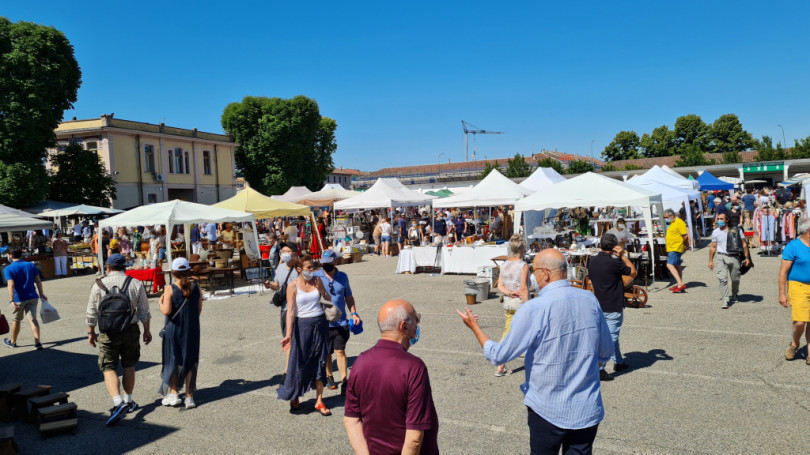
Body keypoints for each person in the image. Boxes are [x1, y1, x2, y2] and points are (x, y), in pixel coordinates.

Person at [457, 249, 612, 454]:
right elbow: (605, 351)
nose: (533, 277)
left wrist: (475, 328)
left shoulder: (534, 308)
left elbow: (498, 355)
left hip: (547, 409)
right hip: (586, 408)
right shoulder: (589, 299)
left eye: (535, 271)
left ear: (545, 274)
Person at [344, 299, 438, 455]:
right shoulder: (414, 367)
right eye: (416, 320)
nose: (417, 326)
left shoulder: (360, 362)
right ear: (404, 327)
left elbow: (351, 420)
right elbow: (414, 438)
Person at [85, 253, 152, 426]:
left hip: (108, 332)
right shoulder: (135, 283)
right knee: (129, 364)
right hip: (130, 330)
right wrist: (147, 331)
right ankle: (128, 400)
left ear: (107, 267)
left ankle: (117, 403)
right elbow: (144, 311)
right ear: (124, 267)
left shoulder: (98, 284)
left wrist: (91, 332)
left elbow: (91, 311)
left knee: (108, 366)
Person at [277, 255, 332, 416]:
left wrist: (321, 290)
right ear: (299, 269)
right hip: (302, 326)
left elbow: (327, 298)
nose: (312, 270)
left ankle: (319, 400)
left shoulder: (317, 281)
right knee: (299, 362)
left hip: (320, 324)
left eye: (313, 267)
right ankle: (295, 394)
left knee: (320, 360)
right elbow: (291, 311)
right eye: (309, 268)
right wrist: (288, 335)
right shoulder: (292, 286)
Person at [588, 233, 637, 381]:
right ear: (614, 247)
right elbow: (633, 272)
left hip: (598, 303)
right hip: (613, 304)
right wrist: (622, 255)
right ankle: (600, 368)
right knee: (610, 337)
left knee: (611, 336)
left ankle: (618, 362)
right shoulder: (615, 262)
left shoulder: (592, 261)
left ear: (600, 245)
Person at [315, 250, 361, 396]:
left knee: (340, 351)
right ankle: (329, 376)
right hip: (323, 322)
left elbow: (348, 296)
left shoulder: (343, 277)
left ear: (335, 262)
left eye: (328, 263)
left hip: (341, 321)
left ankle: (344, 380)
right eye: (323, 263)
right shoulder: (316, 276)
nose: (325, 265)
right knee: (327, 352)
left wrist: (353, 313)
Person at [159, 258, 203, 409]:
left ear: (173, 272)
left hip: (174, 328)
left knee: (173, 359)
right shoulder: (196, 288)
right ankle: (189, 397)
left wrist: (160, 302)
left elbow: (166, 311)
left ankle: (174, 393)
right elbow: (198, 311)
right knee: (190, 360)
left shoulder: (170, 288)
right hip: (192, 328)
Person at [494, 234, 529, 377]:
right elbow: (524, 288)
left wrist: (508, 292)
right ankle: (500, 362)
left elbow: (500, 286)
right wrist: (528, 306)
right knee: (515, 333)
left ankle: (501, 365)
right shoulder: (523, 266)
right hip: (520, 304)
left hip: (509, 304)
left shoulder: (504, 265)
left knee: (510, 331)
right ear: (522, 250)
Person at [264, 242, 299, 381]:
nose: (284, 253)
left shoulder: (299, 268)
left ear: (295, 253)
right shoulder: (280, 267)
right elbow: (277, 285)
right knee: (288, 339)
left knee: (300, 340)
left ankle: (292, 370)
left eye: (287, 251)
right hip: (285, 309)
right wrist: (269, 285)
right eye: (282, 251)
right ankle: (288, 369)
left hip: (300, 310)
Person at [778, 217, 810, 363]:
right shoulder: (793, 246)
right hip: (798, 286)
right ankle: (795, 344)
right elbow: (783, 272)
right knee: (799, 322)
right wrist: (782, 294)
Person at [3, 248, 47, 350]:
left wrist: (11, 300)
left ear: (10, 255)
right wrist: (41, 294)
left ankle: (13, 342)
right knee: (33, 319)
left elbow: (11, 285)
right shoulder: (31, 265)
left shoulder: (9, 268)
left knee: (16, 320)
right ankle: (37, 342)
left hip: (19, 298)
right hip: (32, 296)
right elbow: (38, 281)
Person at [709, 213, 750, 310]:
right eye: (718, 219)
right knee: (722, 279)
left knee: (735, 278)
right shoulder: (715, 232)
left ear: (727, 220)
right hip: (721, 257)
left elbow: (744, 244)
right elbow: (713, 247)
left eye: (721, 219)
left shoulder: (736, 230)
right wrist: (710, 260)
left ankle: (735, 293)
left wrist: (747, 257)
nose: (719, 221)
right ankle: (725, 299)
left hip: (734, 257)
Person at [664, 208, 690, 293]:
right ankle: (679, 284)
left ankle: (680, 283)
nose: (665, 219)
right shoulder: (672, 222)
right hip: (672, 247)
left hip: (676, 247)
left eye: (666, 217)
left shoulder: (679, 222)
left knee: (669, 265)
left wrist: (686, 244)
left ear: (671, 215)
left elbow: (685, 235)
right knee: (677, 265)